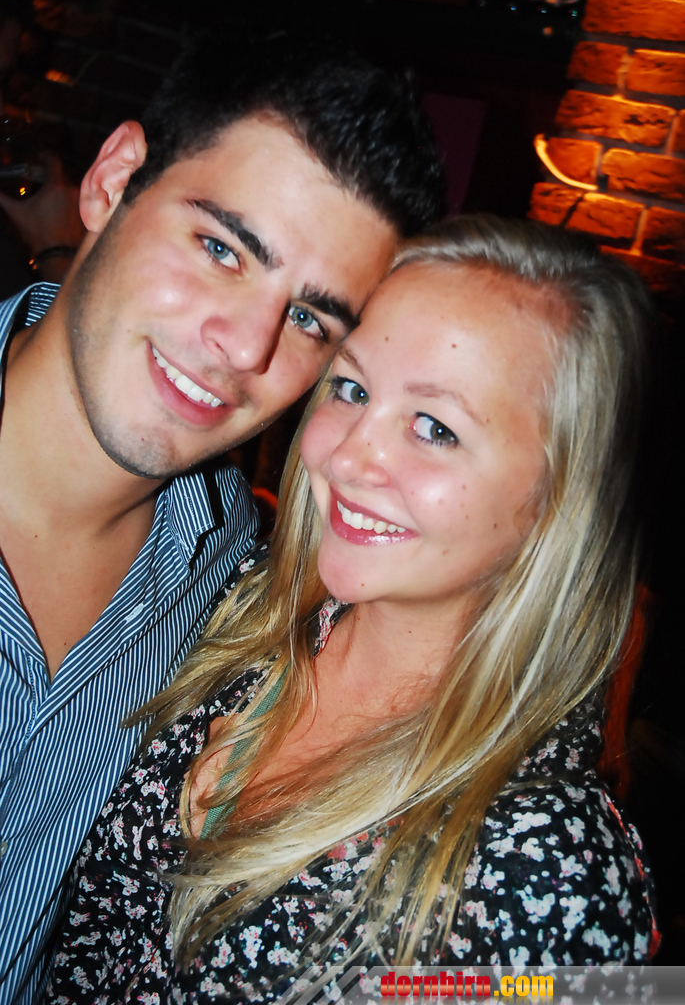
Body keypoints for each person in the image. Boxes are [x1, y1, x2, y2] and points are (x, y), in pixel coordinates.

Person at [45, 216, 657, 1004]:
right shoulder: (234, 610)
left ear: (558, 498)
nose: (345, 455)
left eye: (434, 428)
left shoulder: (557, 874)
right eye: (352, 389)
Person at [0, 26, 445, 1004]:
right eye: (220, 249)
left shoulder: (234, 588)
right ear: (112, 181)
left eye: (310, 319)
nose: (244, 347)